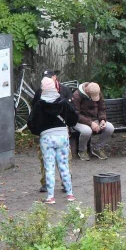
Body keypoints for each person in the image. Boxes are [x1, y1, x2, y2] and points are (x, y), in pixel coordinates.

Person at [33, 74, 79, 204]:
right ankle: (70, 194)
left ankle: (51, 197)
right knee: (64, 165)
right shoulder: (63, 103)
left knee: (49, 167)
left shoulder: (39, 105)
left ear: (43, 89)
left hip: (46, 138)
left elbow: (32, 123)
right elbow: (74, 118)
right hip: (62, 136)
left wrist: (39, 131)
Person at [37, 69, 73, 193]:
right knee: (44, 158)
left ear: (55, 77)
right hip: (46, 131)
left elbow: (71, 112)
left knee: (65, 158)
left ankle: (66, 182)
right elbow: (35, 114)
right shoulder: (39, 93)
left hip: (62, 130)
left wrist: (68, 127)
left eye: (49, 77)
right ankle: (46, 183)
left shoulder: (65, 90)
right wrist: (39, 130)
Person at [72, 82, 114, 161]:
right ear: (87, 91)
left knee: (110, 128)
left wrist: (102, 120)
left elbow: (102, 109)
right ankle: (82, 150)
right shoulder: (76, 95)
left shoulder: (96, 91)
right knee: (87, 131)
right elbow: (76, 115)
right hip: (78, 121)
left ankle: (98, 148)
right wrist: (90, 123)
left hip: (94, 119)